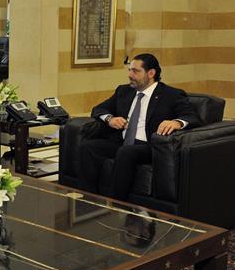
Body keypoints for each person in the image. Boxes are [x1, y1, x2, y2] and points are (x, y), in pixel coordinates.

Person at [79, 53, 200, 200]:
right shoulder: (124, 91)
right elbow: (98, 109)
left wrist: (176, 122)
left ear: (151, 73)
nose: (130, 75)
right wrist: (110, 119)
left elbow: (192, 117)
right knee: (87, 147)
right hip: (122, 141)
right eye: (129, 70)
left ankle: (117, 203)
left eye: (135, 71)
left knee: (126, 152)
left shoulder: (171, 95)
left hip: (149, 146)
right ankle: (89, 199)